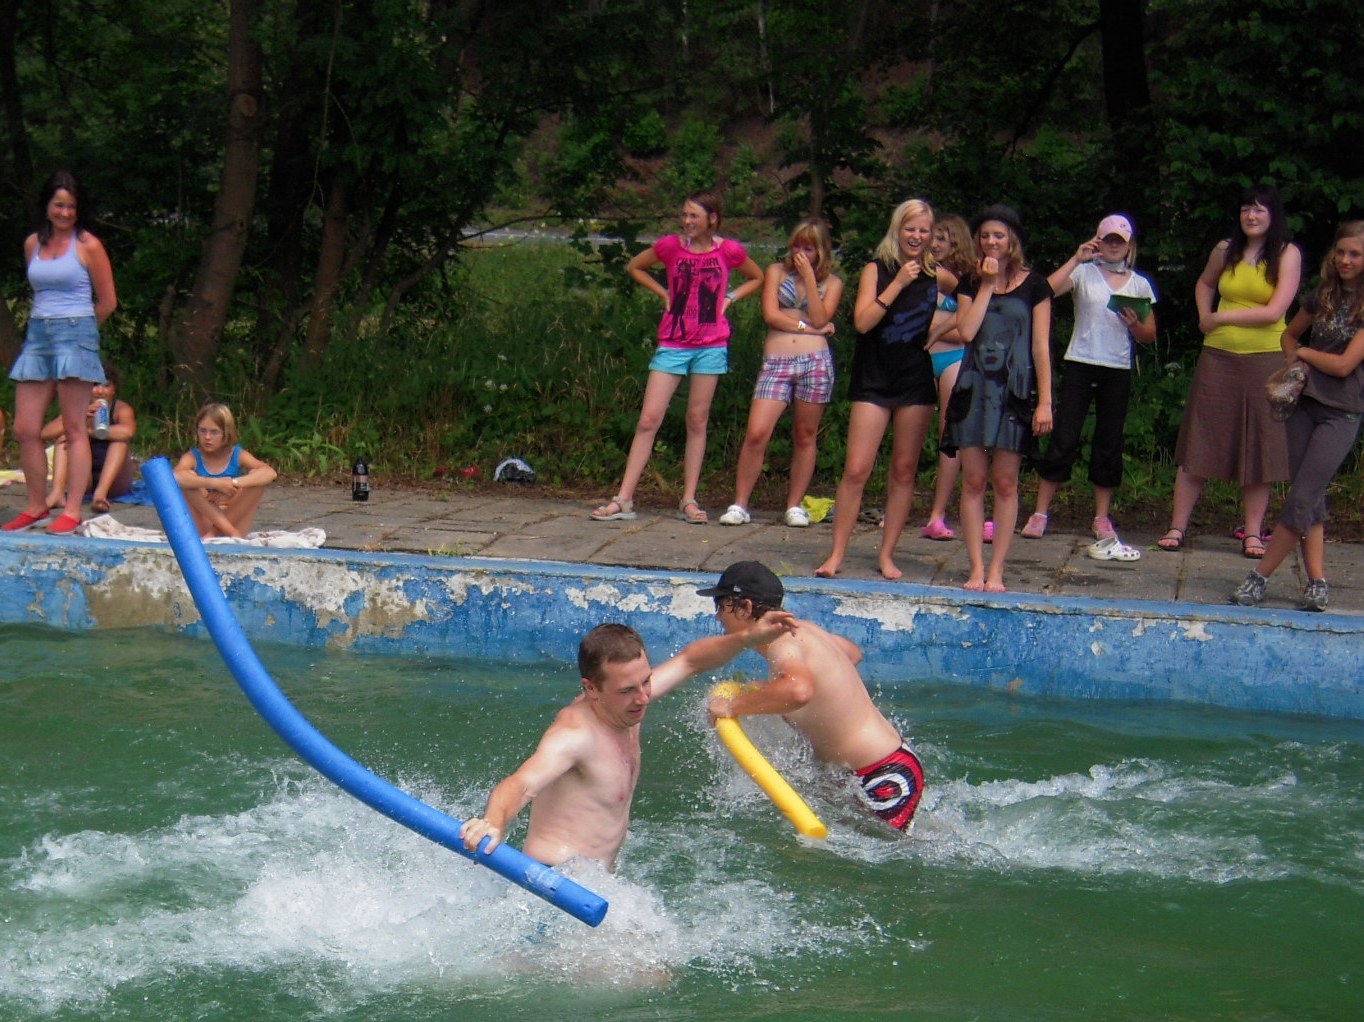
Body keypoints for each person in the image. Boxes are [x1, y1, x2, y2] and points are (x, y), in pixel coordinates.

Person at [459, 613, 796, 869]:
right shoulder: (576, 736)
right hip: (558, 884)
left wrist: (747, 637)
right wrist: (493, 821)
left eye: (645, 682)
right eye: (627, 690)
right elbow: (521, 784)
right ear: (591, 688)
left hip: (597, 884)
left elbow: (691, 660)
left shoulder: (627, 704)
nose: (643, 698)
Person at [699, 561, 924, 831]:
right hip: (880, 766)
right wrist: (775, 689)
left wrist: (732, 706)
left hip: (882, 775)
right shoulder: (802, 630)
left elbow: (798, 690)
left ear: (745, 608)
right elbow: (851, 653)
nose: (717, 617)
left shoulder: (783, 644)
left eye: (720, 606)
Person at [590, 190, 763, 525]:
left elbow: (757, 276)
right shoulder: (671, 246)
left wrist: (730, 298)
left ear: (712, 218)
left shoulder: (728, 250)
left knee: (697, 420)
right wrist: (663, 293)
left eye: (694, 216)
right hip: (673, 341)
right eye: (684, 215)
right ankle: (623, 498)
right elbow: (636, 266)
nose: (687, 221)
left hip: (711, 344)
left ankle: (689, 499)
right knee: (648, 418)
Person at [1159, 184, 1302, 557]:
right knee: (1199, 440)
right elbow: (1205, 283)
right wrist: (1204, 315)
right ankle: (1177, 527)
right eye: (1245, 209)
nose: (1251, 216)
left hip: (1265, 359)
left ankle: (1252, 533)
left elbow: (1274, 311)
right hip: (1218, 356)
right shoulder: (1225, 249)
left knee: (1260, 448)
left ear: (1273, 215)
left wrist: (1220, 317)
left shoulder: (1287, 253)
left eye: (1259, 209)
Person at [816, 199, 952, 580]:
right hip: (874, 378)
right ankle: (836, 553)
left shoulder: (938, 275)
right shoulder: (876, 270)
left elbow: (973, 299)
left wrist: (943, 330)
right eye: (910, 228)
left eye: (924, 230)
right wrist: (899, 284)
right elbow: (863, 322)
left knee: (904, 470)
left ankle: (887, 554)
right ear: (897, 229)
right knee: (856, 468)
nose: (917, 236)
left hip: (914, 380)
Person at [1232, 221, 1364, 611]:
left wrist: (1305, 355)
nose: (1345, 260)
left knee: (1302, 498)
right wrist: (1294, 365)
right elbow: (1288, 335)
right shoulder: (1323, 294)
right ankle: (1317, 583)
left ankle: (1259, 578)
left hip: (1342, 413)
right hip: (1304, 406)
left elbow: (1344, 365)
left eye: (1355, 254)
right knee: (1310, 497)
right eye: (1341, 252)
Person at [1020, 214, 1158, 540]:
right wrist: (1076, 258)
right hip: (1080, 362)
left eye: (1119, 241)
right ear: (1098, 241)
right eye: (1108, 239)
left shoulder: (1138, 284)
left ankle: (1101, 517)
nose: (1113, 246)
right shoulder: (1083, 272)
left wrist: (1133, 324)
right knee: (1064, 436)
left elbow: (1149, 334)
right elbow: (1044, 291)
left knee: (1109, 441)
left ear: (1129, 245)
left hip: (1117, 367)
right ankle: (1040, 512)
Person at [942, 204, 1054, 593]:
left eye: (999, 235)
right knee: (973, 479)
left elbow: (1040, 347)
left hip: (1015, 390)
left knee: (1006, 481)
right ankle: (976, 567)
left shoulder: (1036, 285)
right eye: (986, 235)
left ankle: (997, 570)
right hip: (975, 387)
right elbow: (967, 332)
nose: (992, 241)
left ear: (1012, 241)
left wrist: (1045, 401)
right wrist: (987, 284)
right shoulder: (970, 283)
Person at [4, 171, 117, 535]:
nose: (65, 213)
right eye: (59, 205)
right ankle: (36, 505)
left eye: (71, 206)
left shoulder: (88, 245)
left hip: (76, 331)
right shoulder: (32, 244)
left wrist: (82, 333)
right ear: (47, 206)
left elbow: (108, 302)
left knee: (73, 427)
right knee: (25, 428)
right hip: (39, 335)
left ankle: (71, 510)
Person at [719, 218, 844, 528]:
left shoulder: (833, 283)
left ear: (821, 251)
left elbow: (821, 316)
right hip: (777, 361)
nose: (801, 253)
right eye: (797, 246)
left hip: (814, 362)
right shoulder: (777, 271)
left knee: (805, 434)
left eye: (809, 248)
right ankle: (740, 503)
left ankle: (794, 504)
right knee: (757, 432)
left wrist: (809, 279)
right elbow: (772, 315)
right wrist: (807, 328)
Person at [920, 214, 982, 542]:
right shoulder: (922, 274)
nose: (935, 244)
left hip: (953, 360)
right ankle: (899, 506)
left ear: (957, 241)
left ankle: (938, 513)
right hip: (921, 359)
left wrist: (934, 326)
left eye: (943, 238)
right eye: (933, 237)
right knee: (911, 433)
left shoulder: (968, 279)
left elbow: (969, 330)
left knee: (949, 434)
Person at [42, 362, 136, 513]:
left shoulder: (120, 409)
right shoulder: (80, 407)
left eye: (106, 386)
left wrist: (90, 432)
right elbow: (45, 433)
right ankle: (57, 493)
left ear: (113, 389)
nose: (100, 391)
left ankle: (100, 495)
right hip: (85, 478)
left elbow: (128, 431)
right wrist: (79, 418)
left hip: (114, 480)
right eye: (95, 385)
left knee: (119, 441)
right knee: (63, 439)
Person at [173, 402, 277, 538]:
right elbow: (174, 477)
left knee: (256, 480)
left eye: (214, 432)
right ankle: (222, 532)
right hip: (205, 523)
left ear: (226, 433)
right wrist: (215, 483)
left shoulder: (237, 454)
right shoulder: (192, 456)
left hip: (234, 521)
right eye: (202, 431)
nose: (207, 437)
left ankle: (216, 533)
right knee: (188, 479)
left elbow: (269, 473)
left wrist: (232, 484)